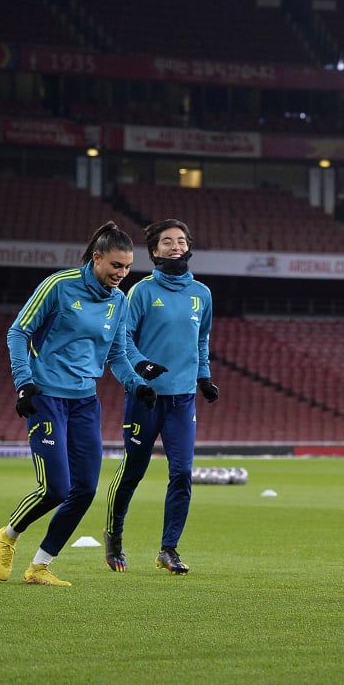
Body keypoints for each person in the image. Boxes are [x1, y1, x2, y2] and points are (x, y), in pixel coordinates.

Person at [0, 221, 162, 586]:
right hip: (47, 398)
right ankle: (8, 535)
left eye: (128, 267)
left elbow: (117, 354)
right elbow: (18, 331)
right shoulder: (59, 286)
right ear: (96, 258)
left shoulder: (118, 301)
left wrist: (137, 384)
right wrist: (24, 384)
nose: (122, 274)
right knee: (55, 488)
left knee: (84, 489)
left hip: (85, 402)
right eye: (116, 265)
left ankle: (40, 565)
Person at [102, 219, 218, 575]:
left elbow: (202, 340)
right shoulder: (140, 292)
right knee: (134, 470)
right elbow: (122, 339)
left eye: (181, 240)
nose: (175, 246)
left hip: (183, 400)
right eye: (167, 241)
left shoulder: (202, 293)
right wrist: (141, 368)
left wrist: (204, 378)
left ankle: (168, 549)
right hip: (146, 397)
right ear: (153, 251)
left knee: (182, 473)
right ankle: (114, 535)